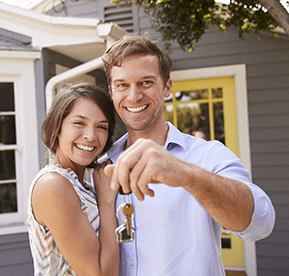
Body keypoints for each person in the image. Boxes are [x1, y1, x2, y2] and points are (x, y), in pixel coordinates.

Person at [100, 33, 275, 275]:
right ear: (111, 91)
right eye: (122, 85)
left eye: (146, 83)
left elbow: (261, 223)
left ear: (167, 87)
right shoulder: (99, 164)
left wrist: (187, 174)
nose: (133, 96)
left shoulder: (207, 155)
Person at [27, 83, 119, 275]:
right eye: (79, 123)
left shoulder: (80, 184)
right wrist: (106, 202)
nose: (90, 136)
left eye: (101, 127)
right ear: (57, 127)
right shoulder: (53, 186)